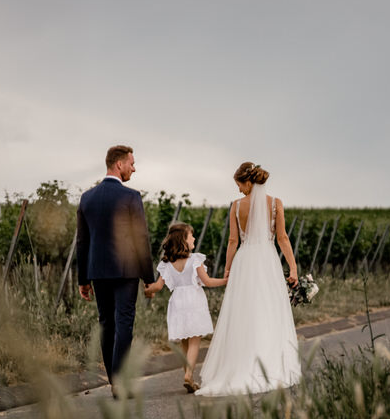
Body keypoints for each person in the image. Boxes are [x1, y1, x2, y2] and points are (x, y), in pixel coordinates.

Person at [196, 162, 302, 396]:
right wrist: (293, 268)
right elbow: (282, 238)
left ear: (248, 182)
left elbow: (233, 241)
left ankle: (242, 364)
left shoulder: (236, 206)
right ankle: (270, 365)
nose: (239, 191)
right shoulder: (276, 203)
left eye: (240, 185)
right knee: (268, 310)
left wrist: (227, 269)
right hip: (267, 260)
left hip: (245, 262)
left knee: (244, 312)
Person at [76, 145, 155, 398]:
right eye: (132, 163)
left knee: (106, 322)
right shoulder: (131, 197)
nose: (134, 167)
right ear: (118, 165)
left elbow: (82, 242)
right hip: (126, 271)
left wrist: (83, 279)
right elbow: (140, 238)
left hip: (97, 271)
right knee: (123, 323)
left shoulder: (87, 198)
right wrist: (149, 278)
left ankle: (114, 380)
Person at [144, 222, 228, 392]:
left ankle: (188, 376)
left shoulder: (167, 263)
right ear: (184, 240)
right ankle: (189, 375)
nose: (194, 238)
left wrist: (148, 290)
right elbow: (208, 282)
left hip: (177, 303)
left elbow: (158, 286)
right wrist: (227, 280)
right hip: (194, 301)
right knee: (195, 340)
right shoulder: (194, 260)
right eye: (191, 236)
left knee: (184, 342)